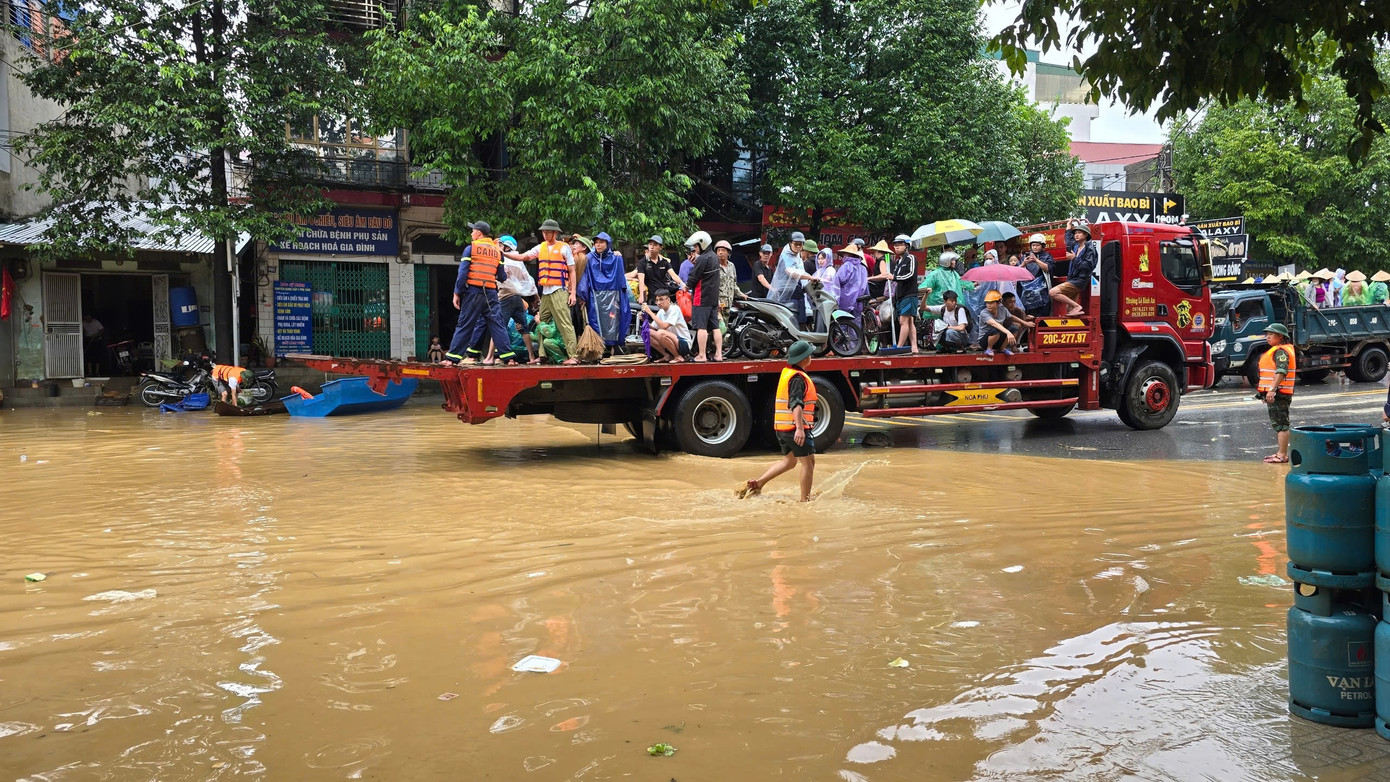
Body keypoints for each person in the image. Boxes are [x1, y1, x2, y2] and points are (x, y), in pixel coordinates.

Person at [737, 339, 817, 502]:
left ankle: (758, 484)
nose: (811, 357)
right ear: (803, 359)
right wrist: (800, 429)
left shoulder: (788, 373)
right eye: (809, 354)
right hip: (794, 428)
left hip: (782, 428)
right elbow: (796, 405)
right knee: (808, 463)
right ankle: (805, 501)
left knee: (789, 462)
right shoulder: (797, 378)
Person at [504, 219, 579, 365]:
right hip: (546, 292)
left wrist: (573, 293)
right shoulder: (541, 247)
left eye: (547, 232)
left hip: (559, 290)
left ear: (555, 233)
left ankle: (574, 356)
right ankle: (542, 355)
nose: (544, 234)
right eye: (543, 232)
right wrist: (502, 253)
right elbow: (522, 257)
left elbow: (572, 270)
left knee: (565, 323)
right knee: (540, 321)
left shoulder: (564, 248)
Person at [445, 221, 518, 365]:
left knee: (465, 324)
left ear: (479, 233)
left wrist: (457, 292)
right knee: (497, 324)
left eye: (473, 231)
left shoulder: (471, 248)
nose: (471, 233)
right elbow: (502, 277)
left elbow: (462, 273)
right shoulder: (498, 252)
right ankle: (509, 358)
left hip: (474, 292)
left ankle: (452, 359)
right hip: (491, 293)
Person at [578, 231, 632, 352]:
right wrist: (582, 295)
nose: (598, 245)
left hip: (613, 296)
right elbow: (585, 278)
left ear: (608, 244)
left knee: (613, 322)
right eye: (596, 242)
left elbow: (621, 281)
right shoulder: (589, 258)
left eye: (601, 242)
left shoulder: (616, 258)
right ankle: (598, 349)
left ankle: (614, 347)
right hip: (595, 296)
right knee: (596, 322)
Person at [492, 235, 537, 363]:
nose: (499, 247)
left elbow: (499, 276)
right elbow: (529, 279)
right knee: (524, 329)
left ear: (507, 247)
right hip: (518, 298)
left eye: (501, 245)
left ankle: (493, 357)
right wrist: (536, 296)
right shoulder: (519, 261)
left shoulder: (503, 260)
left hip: (505, 297)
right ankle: (531, 357)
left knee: (498, 327)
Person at [1259, 323, 1296, 463]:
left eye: (1271, 334)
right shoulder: (1277, 350)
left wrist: (1271, 390)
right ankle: (1281, 453)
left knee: (1281, 424)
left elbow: (1281, 372)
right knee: (1279, 423)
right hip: (1277, 392)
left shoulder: (1281, 351)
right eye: (1267, 334)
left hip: (1280, 393)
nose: (1267, 337)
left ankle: (1282, 455)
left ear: (1280, 336)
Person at [685, 230, 723, 361]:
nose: (695, 249)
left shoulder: (703, 258)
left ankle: (702, 355)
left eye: (696, 246)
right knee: (715, 327)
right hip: (713, 298)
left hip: (701, 297)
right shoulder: (714, 257)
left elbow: (694, 277)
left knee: (701, 327)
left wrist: (686, 286)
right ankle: (719, 354)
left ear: (703, 244)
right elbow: (705, 272)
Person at [1052, 221, 1096, 316]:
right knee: (1069, 310)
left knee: (1053, 292)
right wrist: (1068, 226)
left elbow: (1087, 267)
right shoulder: (1075, 246)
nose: (1076, 235)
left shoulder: (1090, 249)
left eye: (1079, 233)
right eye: (1075, 233)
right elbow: (1068, 240)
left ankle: (1077, 306)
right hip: (1072, 278)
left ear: (1085, 235)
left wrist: (1074, 259)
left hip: (1079, 280)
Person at [770, 231, 813, 325]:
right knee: (790, 321)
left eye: (800, 244)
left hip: (798, 292)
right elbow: (791, 272)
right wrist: (809, 277)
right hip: (787, 294)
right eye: (796, 244)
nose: (798, 246)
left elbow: (801, 272)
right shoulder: (785, 256)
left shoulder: (797, 257)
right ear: (790, 243)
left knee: (801, 320)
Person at [888, 234, 920, 353]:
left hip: (909, 294)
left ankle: (900, 347)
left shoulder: (911, 258)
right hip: (900, 295)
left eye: (899, 245)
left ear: (907, 246)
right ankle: (914, 347)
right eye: (895, 245)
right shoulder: (897, 262)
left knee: (903, 321)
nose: (896, 247)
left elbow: (910, 274)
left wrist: (894, 277)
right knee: (910, 321)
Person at [641, 289, 690, 362]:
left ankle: (678, 357)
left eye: (661, 300)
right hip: (669, 342)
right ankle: (667, 355)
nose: (658, 303)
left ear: (668, 299)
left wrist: (650, 312)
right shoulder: (661, 311)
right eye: (657, 300)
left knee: (661, 332)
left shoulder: (675, 309)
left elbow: (664, 326)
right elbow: (654, 327)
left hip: (683, 343)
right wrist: (644, 320)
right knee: (646, 332)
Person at [1020, 233, 1054, 318]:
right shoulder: (1025, 256)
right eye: (1033, 245)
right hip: (1027, 291)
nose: (1034, 247)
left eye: (1037, 245)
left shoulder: (1047, 256)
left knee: (1044, 309)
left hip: (1043, 290)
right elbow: (1017, 271)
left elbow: (1047, 268)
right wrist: (1024, 263)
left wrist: (1036, 260)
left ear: (1042, 246)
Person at [978, 289, 1018, 357]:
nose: (989, 305)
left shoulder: (1003, 309)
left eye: (991, 303)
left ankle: (1003, 348)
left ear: (998, 303)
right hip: (985, 341)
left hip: (998, 339)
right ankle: (989, 349)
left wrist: (1025, 323)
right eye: (987, 303)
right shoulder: (983, 313)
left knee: (1014, 328)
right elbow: (994, 324)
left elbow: (1011, 317)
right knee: (995, 330)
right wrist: (1008, 332)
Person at [834, 243, 869, 319]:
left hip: (846, 298)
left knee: (842, 322)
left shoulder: (846, 265)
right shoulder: (863, 268)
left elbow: (839, 280)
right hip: (859, 299)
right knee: (855, 323)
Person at [716, 240, 745, 317]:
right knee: (718, 327)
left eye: (723, 250)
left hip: (728, 303)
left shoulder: (731, 266)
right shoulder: (714, 266)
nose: (720, 252)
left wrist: (741, 294)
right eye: (718, 250)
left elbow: (734, 284)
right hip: (717, 304)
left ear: (728, 253)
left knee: (724, 327)